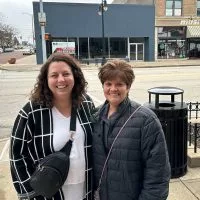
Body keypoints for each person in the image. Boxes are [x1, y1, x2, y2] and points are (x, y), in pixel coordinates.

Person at [10, 53, 94, 200]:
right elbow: (17, 155)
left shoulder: (86, 103)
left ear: (75, 76)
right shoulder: (31, 112)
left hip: (85, 187)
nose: (61, 79)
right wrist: (29, 191)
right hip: (50, 193)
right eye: (54, 75)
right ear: (46, 80)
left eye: (66, 74)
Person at [92, 60, 171, 200]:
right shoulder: (95, 117)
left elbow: (158, 175)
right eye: (108, 84)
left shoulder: (146, 120)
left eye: (119, 84)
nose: (113, 89)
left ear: (128, 87)